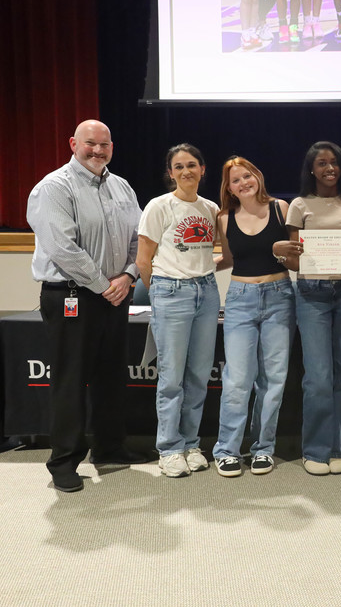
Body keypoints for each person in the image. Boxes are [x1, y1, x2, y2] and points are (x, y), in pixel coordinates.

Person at [26, 120, 147, 493]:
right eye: (90, 144)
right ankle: (63, 461)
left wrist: (127, 277)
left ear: (112, 147)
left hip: (115, 293)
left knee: (111, 374)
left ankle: (109, 446)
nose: (98, 151)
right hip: (72, 296)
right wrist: (103, 286)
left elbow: (139, 238)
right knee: (70, 381)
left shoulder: (121, 186)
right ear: (73, 144)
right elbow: (63, 247)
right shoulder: (53, 187)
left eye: (104, 145)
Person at [136, 144, 223, 478]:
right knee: (172, 377)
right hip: (171, 292)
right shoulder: (159, 206)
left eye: (192, 165)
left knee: (198, 375)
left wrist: (204, 268)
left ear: (202, 169)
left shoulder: (211, 208)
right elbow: (144, 259)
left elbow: (207, 251)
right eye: (178, 166)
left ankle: (190, 443)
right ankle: (169, 448)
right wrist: (159, 289)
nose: (186, 171)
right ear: (170, 173)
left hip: (206, 292)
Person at [211, 157, 299, 478]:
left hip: (279, 297)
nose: (243, 183)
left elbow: (295, 259)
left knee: (273, 379)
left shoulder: (281, 209)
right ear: (229, 188)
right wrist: (193, 267)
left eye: (247, 176)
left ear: (257, 176)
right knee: (237, 378)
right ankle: (227, 450)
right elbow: (229, 259)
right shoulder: (223, 218)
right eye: (236, 180)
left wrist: (282, 252)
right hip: (240, 299)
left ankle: (263, 448)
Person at [287, 142, 341, 475]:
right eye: (322, 163)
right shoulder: (299, 205)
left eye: (334, 162)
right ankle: (315, 450)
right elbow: (291, 256)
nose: (329, 168)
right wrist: (288, 253)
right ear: (311, 169)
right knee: (318, 377)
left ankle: (338, 448)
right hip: (311, 293)